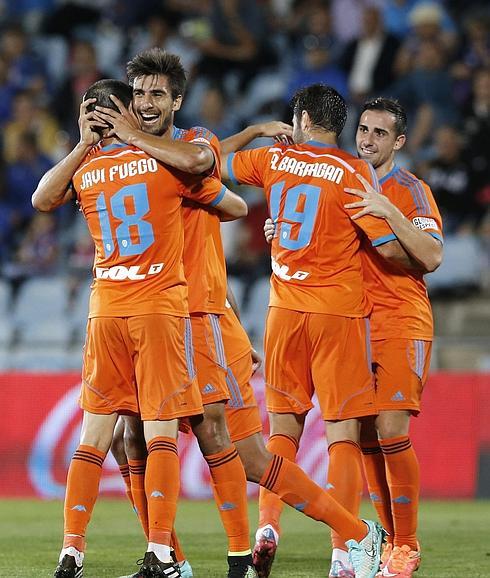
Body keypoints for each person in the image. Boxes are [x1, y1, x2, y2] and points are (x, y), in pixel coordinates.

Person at [100, 60, 388, 578]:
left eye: (156, 94)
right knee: (130, 437)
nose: (145, 103)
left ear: (176, 102)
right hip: (160, 317)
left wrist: (225, 312)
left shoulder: (190, 148)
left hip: (197, 320)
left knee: (239, 452)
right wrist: (255, 130)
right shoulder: (134, 159)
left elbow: (218, 184)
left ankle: (351, 532)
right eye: (138, 92)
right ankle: (170, 561)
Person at [32, 78, 247, 578]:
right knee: (160, 434)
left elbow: (43, 199)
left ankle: (71, 550)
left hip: (105, 309)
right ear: (127, 112)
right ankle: (161, 552)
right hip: (159, 310)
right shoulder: (163, 163)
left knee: (94, 437)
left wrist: (84, 144)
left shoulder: (84, 171)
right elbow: (231, 202)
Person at [221, 84, 415, 578]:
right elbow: (390, 250)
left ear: (302, 119)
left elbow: (213, 161)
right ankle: (344, 553)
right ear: (338, 123)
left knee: (282, 429)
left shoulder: (275, 159)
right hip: (337, 315)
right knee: (343, 432)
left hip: (282, 310)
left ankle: (268, 526)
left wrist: (258, 132)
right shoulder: (354, 172)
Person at [262, 97, 443, 578]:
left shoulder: (411, 189)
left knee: (391, 431)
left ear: (398, 142)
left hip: (400, 321)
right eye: (363, 129)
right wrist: (278, 229)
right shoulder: (337, 177)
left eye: (380, 133)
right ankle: (385, 540)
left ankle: (407, 544)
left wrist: (389, 211)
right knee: (363, 438)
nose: (367, 139)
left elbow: (431, 255)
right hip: (350, 323)